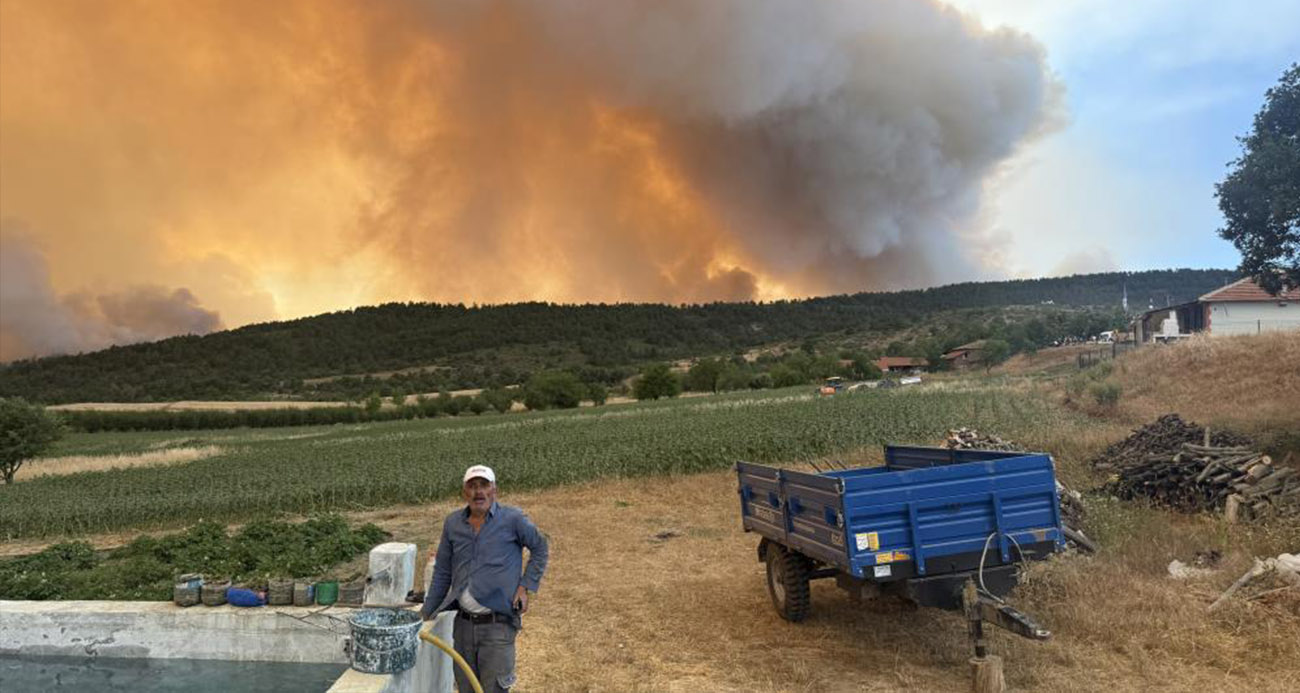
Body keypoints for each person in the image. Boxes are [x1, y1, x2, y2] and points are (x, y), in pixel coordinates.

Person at [421, 465, 549, 692]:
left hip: (497, 625)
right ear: (464, 492)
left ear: (494, 489)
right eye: (472, 486)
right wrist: (425, 615)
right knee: (467, 687)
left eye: (484, 485)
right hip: (462, 626)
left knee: (495, 689)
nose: (478, 492)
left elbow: (540, 548)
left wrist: (525, 586)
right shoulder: (453, 523)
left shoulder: (513, 519)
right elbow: (442, 572)